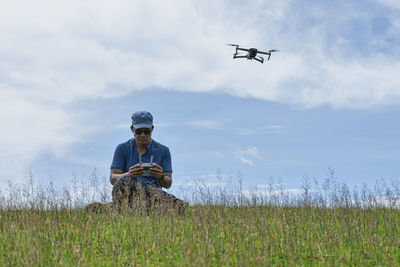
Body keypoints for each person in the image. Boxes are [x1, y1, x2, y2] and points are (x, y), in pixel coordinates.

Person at [109, 111, 188, 213]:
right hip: (129, 193)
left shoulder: (163, 151)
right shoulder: (122, 148)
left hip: (153, 194)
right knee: (124, 182)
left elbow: (168, 183)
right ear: (132, 129)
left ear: (152, 129)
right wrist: (129, 174)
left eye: (146, 131)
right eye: (138, 131)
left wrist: (161, 176)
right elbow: (112, 178)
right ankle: (172, 204)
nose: (142, 135)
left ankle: (134, 209)